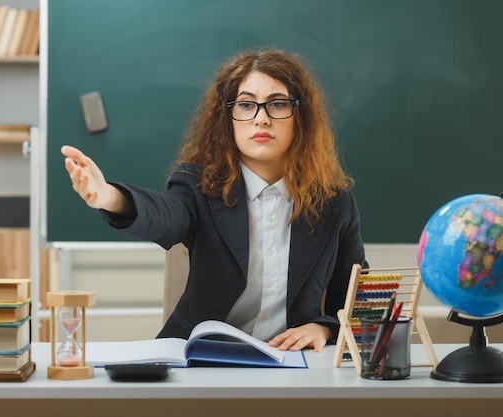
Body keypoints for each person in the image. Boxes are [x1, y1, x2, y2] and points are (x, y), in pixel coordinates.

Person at [61, 48, 367, 353]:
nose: (261, 119)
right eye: (246, 105)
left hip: (290, 365)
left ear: (300, 116)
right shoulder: (198, 187)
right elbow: (164, 214)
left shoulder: (334, 204)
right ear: (228, 117)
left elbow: (358, 299)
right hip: (199, 360)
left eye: (277, 104)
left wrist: (325, 327)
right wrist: (109, 197)